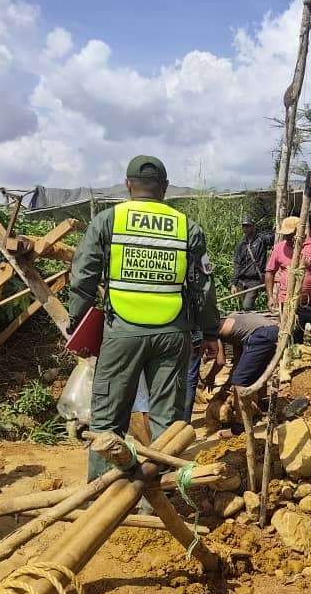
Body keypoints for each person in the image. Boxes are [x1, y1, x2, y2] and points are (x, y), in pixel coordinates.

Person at [68, 155, 219, 483]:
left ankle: (101, 497)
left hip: (122, 333)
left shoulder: (109, 221)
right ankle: (158, 496)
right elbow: (203, 287)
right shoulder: (187, 227)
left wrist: (76, 323)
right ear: (164, 188)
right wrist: (209, 332)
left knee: (108, 421)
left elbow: (83, 276)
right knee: (167, 420)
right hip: (173, 334)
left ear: (127, 185)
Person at [264, 216, 311, 364]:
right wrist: (270, 296)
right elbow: (269, 272)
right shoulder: (279, 248)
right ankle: (290, 362)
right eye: (286, 235)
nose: (288, 237)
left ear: (301, 230)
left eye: (291, 234)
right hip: (289, 299)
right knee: (290, 332)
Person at [201, 312, 279, 435]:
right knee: (257, 372)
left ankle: (239, 426)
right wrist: (227, 384)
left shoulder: (213, 331)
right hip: (272, 332)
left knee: (240, 382)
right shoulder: (237, 329)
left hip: (260, 335)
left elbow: (220, 361)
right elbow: (238, 362)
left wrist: (210, 377)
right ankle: (262, 404)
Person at [231, 214, 273, 310]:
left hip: (254, 280)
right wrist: (234, 283)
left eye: (248, 226)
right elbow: (237, 265)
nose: (245, 228)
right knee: (245, 308)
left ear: (253, 227)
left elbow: (273, 239)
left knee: (247, 306)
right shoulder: (241, 245)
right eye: (244, 226)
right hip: (242, 281)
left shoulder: (261, 239)